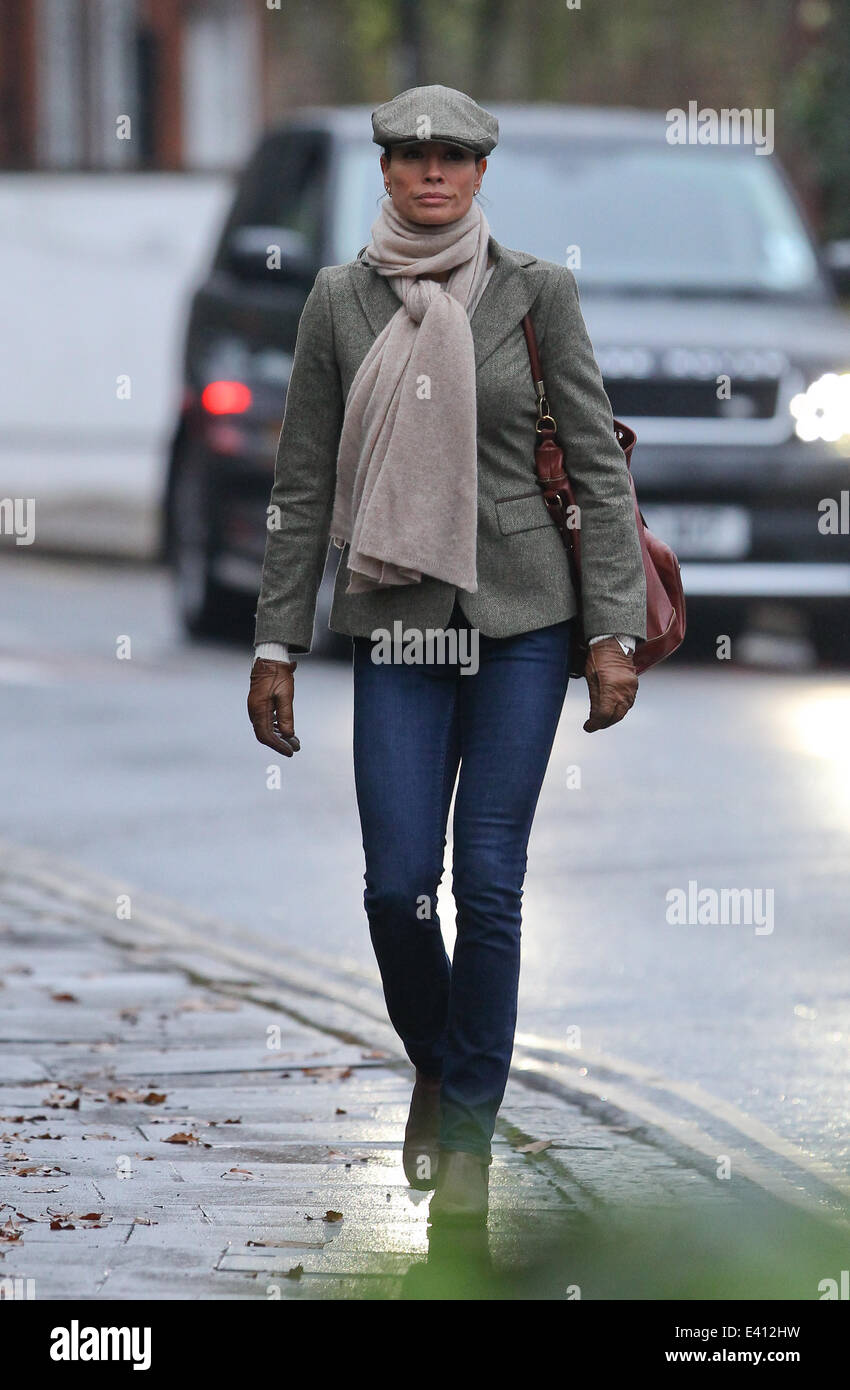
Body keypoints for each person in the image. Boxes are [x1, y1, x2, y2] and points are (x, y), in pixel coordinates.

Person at [248, 85, 646, 1224]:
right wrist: (278, 641)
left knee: (490, 885)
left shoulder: (535, 294)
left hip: (522, 619)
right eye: (413, 155)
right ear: (384, 170)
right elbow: (300, 483)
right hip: (395, 622)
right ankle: (443, 1060)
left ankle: (465, 1140)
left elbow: (596, 465)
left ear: (481, 173)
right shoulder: (338, 301)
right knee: (393, 888)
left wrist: (610, 631)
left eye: (454, 157)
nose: (433, 173)